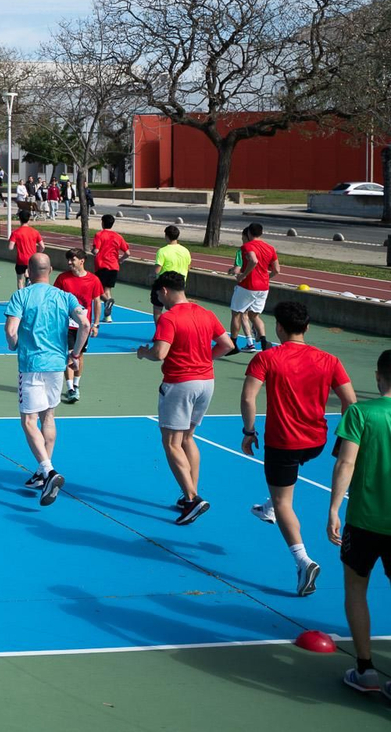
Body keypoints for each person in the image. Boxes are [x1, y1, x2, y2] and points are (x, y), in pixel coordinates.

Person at [241, 301, 355, 594]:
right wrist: (346, 438)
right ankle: (267, 507)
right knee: (283, 487)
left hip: (283, 443)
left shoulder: (267, 358)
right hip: (316, 442)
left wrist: (249, 431)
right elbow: (350, 403)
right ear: (306, 327)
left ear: (278, 327)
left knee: (284, 503)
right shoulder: (329, 359)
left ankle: (304, 562)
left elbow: (248, 398)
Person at [135, 272, 234, 525]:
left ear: (165, 290)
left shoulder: (169, 318)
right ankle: (190, 491)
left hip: (180, 383)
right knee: (188, 438)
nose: (159, 300)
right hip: (206, 382)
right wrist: (205, 359)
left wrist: (144, 352)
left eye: (158, 295)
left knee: (171, 443)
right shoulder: (206, 313)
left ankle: (192, 498)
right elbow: (227, 345)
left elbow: (160, 353)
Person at [4, 254, 90, 507]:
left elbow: (11, 332)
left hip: (31, 365)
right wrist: (75, 354)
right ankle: (43, 475)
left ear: (28, 271)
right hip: (56, 365)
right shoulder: (64, 297)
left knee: (29, 420)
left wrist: (13, 344)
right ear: (50, 270)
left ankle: (49, 471)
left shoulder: (21, 295)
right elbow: (84, 324)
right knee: (48, 417)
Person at [332, 350, 391, 694]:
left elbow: (346, 464)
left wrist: (333, 508)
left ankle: (366, 669)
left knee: (356, 588)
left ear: (378, 376)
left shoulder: (360, 413)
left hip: (365, 520)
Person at [53, 249, 105, 404]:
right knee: (69, 354)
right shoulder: (62, 278)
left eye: (72, 260)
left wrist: (96, 324)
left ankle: (76, 385)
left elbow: (96, 302)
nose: (69, 263)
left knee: (79, 356)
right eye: (68, 260)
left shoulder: (94, 280)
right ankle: (69, 388)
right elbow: (55, 300)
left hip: (84, 327)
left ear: (82, 261)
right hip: (65, 325)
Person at [228, 222, 280, 354]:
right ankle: (263, 342)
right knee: (254, 315)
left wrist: (243, 275)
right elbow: (277, 270)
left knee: (236, 313)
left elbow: (253, 260)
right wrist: (267, 278)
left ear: (249, 233)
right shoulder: (270, 248)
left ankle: (233, 344)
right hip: (263, 288)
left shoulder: (247, 246)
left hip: (248, 286)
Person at [90, 214, 131, 322]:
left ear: (102, 222)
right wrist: (120, 260)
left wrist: (92, 251)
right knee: (107, 289)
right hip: (114, 266)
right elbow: (127, 253)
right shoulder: (118, 236)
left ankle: (106, 303)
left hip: (102, 265)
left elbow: (96, 251)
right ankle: (108, 316)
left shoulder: (99, 235)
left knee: (97, 291)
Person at [151, 225, 192, 323]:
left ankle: (160, 333)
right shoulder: (185, 250)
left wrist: (152, 276)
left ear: (166, 236)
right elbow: (188, 266)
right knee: (177, 310)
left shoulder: (162, 251)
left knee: (157, 309)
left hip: (164, 284)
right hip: (179, 285)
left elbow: (157, 269)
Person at [9, 210, 44, 289]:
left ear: (19, 219)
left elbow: (10, 247)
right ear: (28, 219)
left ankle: (21, 298)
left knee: (20, 280)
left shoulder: (15, 233)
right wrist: (37, 253)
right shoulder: (35, 232)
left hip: (21, 260)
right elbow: (42, 246)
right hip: (32, 259)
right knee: (34, 279)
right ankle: (28, 279)